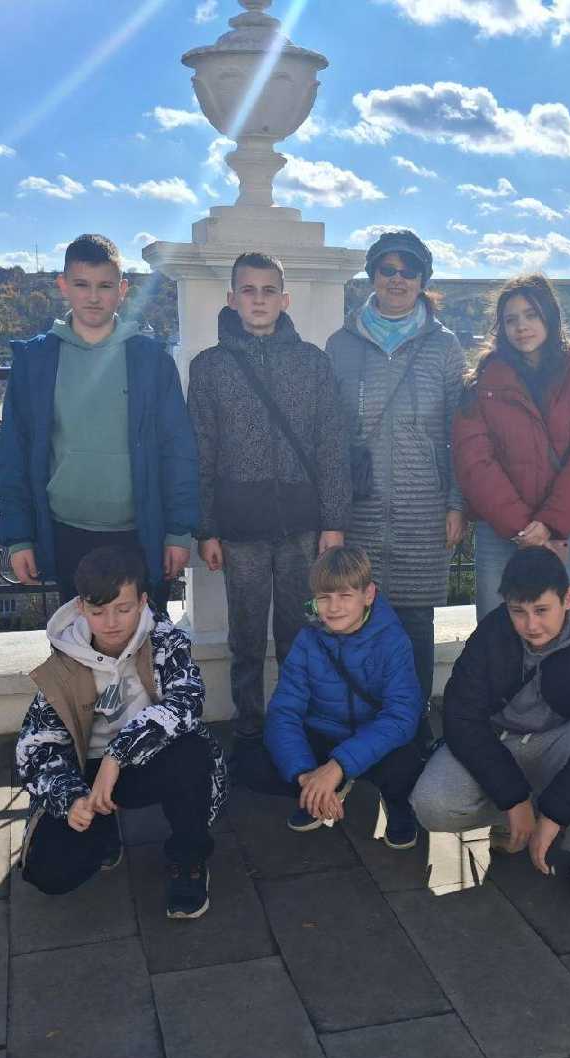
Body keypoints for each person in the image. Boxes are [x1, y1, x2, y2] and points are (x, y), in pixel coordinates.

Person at [187, 252, 351, 770]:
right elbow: (201, 451)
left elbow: (331, 445)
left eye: (268, 290)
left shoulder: (312, 363)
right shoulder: (209, 367)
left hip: (302, 524)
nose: (258, 300)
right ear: (231, 299)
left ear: (285, 299)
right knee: (246, 636)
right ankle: (250, 730)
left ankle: (296, 724)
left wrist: (334, 522)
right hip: (241, 527)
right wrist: (206, 528)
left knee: (301, 633)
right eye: (248, 290)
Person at [411, 546, 570, 910]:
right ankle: (517, 815)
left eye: (541, 610)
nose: (531, 625)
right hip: (500, 741)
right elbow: (461, 715)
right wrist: (513, 798)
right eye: (518, 611)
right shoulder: (492, 632)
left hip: (562, 742)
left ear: (567, 599)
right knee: (431, 804)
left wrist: (556, 814)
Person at [14, 545, 227, 917]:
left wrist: (119, 754)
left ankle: (188, 858)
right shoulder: (63, 662)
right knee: (48, 872)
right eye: (98, 612)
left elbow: (187, 701)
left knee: (193, 752)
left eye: (123, 609)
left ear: (143, 602)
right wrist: (71, 798)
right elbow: (37, 747)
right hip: (87, 774)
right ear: (81, 607)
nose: (111, 622)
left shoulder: (166, 642)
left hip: (145, 761)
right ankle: (101, 828)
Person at [0, 233, 198, 613]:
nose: (93, 297)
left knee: (142, 642)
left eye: (104, 286)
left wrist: (178, 531)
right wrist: (19, 538)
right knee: (76, 643)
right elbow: (13, 453)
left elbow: (178, 449)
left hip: (140, 532)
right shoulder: (36, 361)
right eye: (81, 284)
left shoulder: (151, 361)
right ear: (63, 286)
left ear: (122, 290)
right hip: (65, 532)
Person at [326, 230, 467, 732]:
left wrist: (456, 503)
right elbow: (329, 437)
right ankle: (363, 722)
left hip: (421, 508)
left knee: (414, 624)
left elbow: (458, 432)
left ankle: (412, 724)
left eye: (409, 271)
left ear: (423, 280)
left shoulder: (444, 346)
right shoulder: (341, 345)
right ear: (372, 276)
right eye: (387, 269)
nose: (397, 279)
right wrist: (332, 516)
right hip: (360, 508)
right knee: (356, 619)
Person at [240, 545, 425, 848]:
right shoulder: (307, 640)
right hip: (324, 733)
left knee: (404, 761)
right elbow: (284, 712)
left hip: (373, 735)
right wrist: (306, 776)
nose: (334, 607)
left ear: (368, 595)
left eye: (345, 596)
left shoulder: (393, 640)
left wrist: (338, 765)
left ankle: (397, 803)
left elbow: (401, 716)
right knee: (254, 764)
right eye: (324, 597)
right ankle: (317, 794)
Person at [452, 273, 570, 620]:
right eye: (511, 319)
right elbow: (473, 461)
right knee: (496, 628)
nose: (521, 326)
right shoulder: (481, 383)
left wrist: (549, 524)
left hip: (561, 531)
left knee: (561, 627)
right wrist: (522, 528)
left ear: (549, 317)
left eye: (531, 315)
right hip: (499, 532)